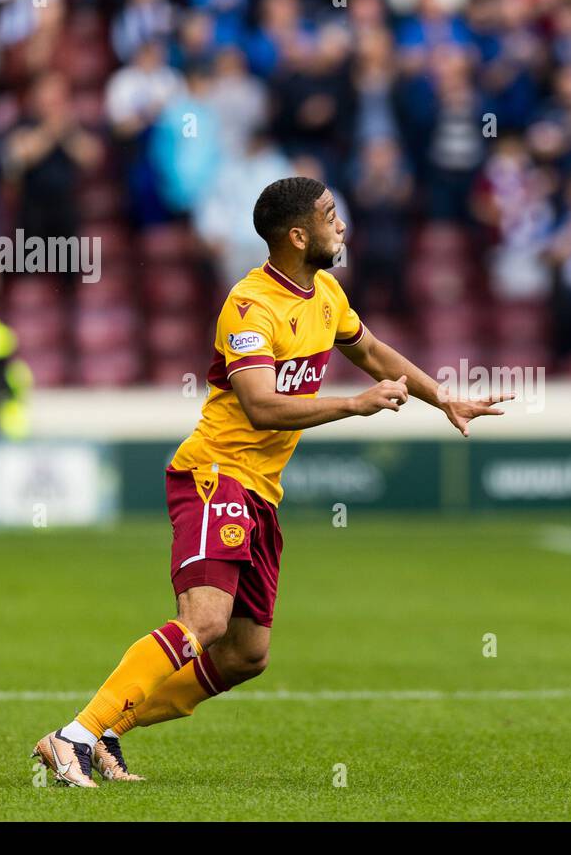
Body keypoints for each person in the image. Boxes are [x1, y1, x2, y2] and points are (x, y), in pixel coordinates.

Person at [31, 177, 510, 786]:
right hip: (215, 475)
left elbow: (376, 353)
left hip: (260, 491)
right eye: (331, 216)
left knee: (245, 654)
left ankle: (105, 733)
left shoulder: (327, 294)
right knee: (204, 623)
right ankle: (73, 735)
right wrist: (353, 406)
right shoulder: (250, 306)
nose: (342, 226)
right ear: (297, 234)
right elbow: (260, 405)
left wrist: (443, 397)